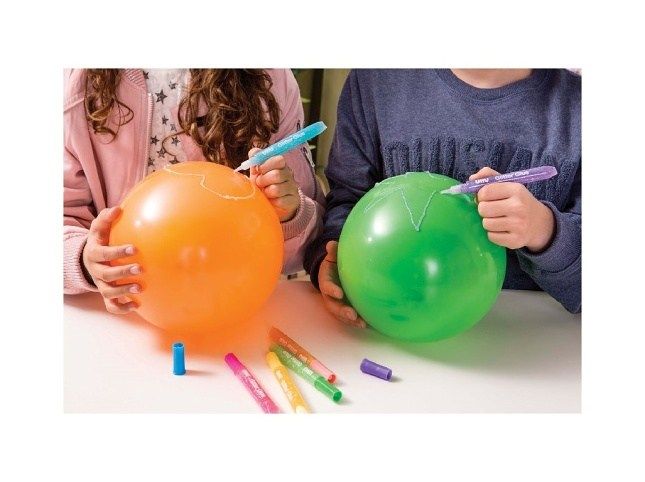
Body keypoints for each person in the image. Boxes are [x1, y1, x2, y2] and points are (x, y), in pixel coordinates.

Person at [304, 69, 581, 328]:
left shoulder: (578, 108)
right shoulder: (375, 80)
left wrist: (544, 230)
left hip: (528, 341)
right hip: (386, 328)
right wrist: (329, 262)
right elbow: (347, 202)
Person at [64, 69, 324, 314]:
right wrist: (85, 260)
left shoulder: (270, 79)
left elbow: (310, 244)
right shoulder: (79, 82)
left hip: (236, 309)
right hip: (125, 319)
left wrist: (287, 216)